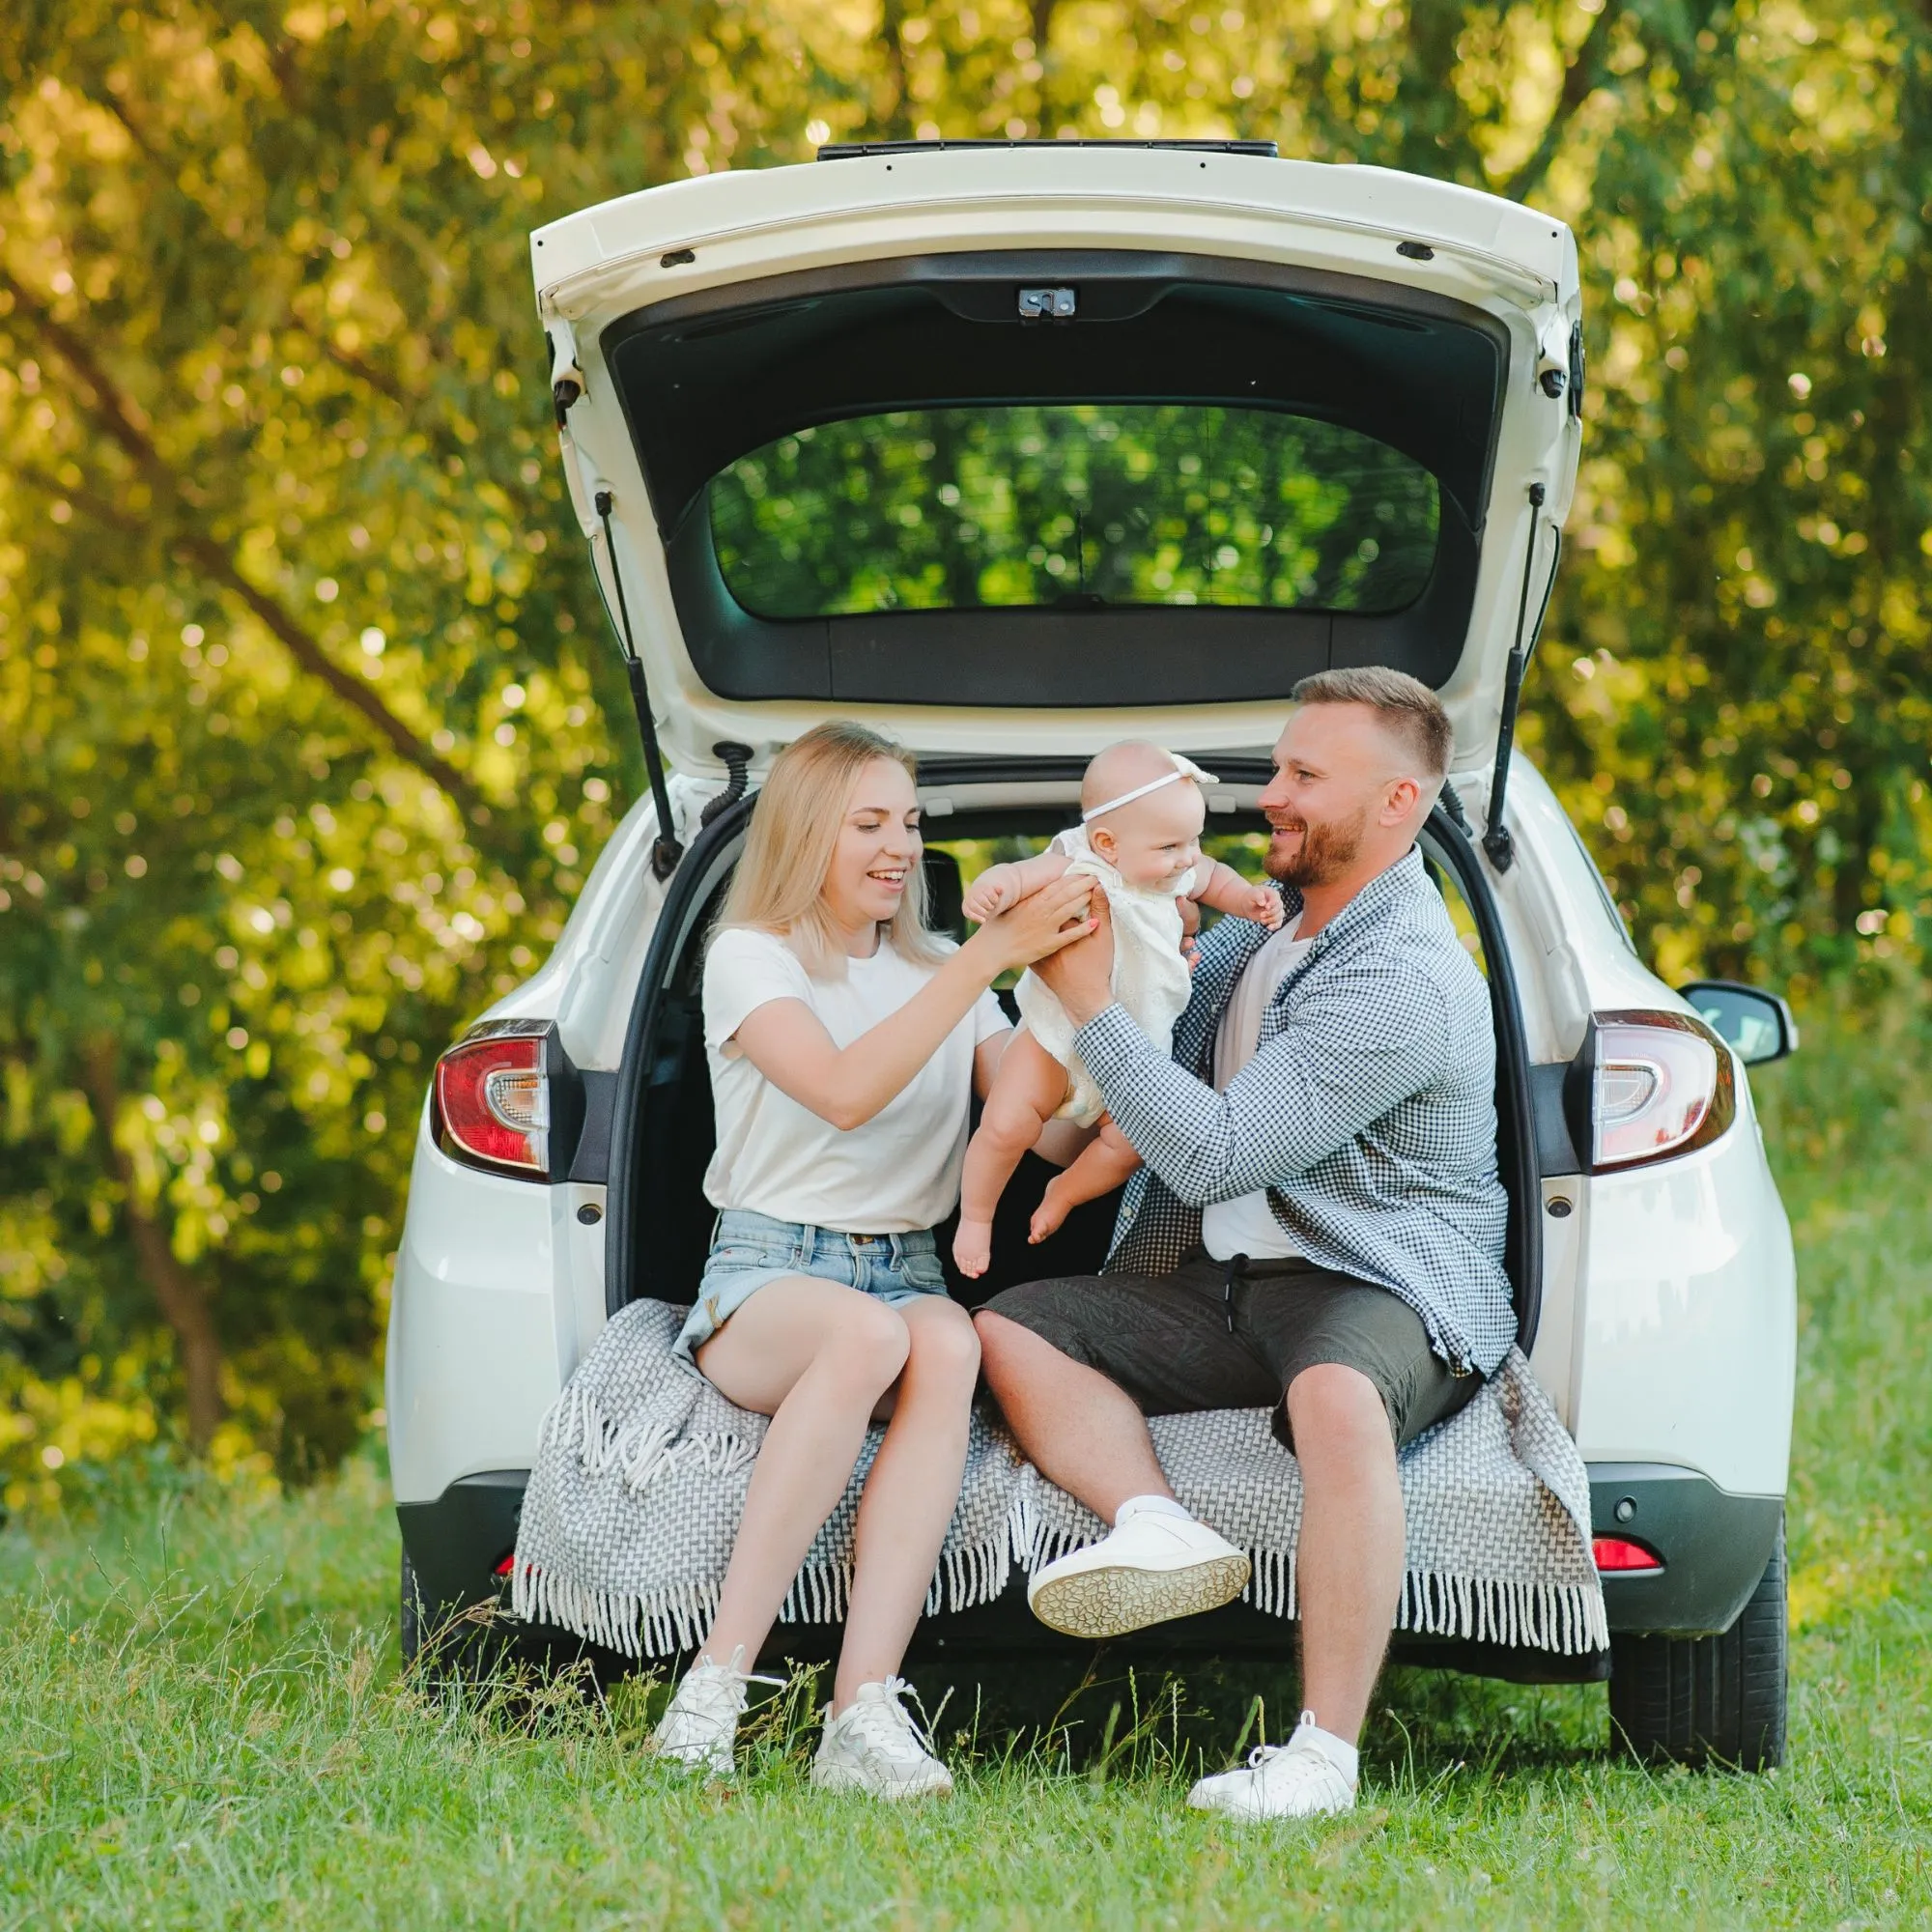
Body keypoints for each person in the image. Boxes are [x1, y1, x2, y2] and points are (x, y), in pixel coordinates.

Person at [974, 667, 1517, 1822]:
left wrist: (1090, 1000)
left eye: (1301, 776)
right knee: (1010, 1327)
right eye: (1275, 767)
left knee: (1330, 1392)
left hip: (1376, 1271)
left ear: (1397, 803)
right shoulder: (1252, 940)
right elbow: (1123, 1066)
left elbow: (1215, 1149)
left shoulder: (1401, 974)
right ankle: (1153, 1520)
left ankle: (1321, 1752)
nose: (1266, 794)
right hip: (1224, 1279)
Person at [651, 722, 1095, 1798]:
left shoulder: (941, 967)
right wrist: (990, 959)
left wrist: (1094, 977)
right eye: (869, 823)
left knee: (943, 1341)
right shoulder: (748, 957)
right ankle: (713, 1683)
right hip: (768, 1272)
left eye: (908, 821)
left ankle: (861, 1711)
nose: (900, 846)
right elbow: (844, 1089)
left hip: (907, 1270)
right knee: (868, 1333)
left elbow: (1051, 1132)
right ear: (809, 830)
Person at [952, 743, 1284, 1278]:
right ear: (1106, 843)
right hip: (1054, 1040)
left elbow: (1216, 878)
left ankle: (1064, 1193)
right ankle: (976, 1216)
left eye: (1194, 840)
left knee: (1131, 1146)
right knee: (1007, 1125)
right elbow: (1026, 873)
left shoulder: (1175, 875)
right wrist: (998, 886)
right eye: (1172, 844)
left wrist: (1248, 900)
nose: (1188, 857)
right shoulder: (1077, 859)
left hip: (1133, 1057)